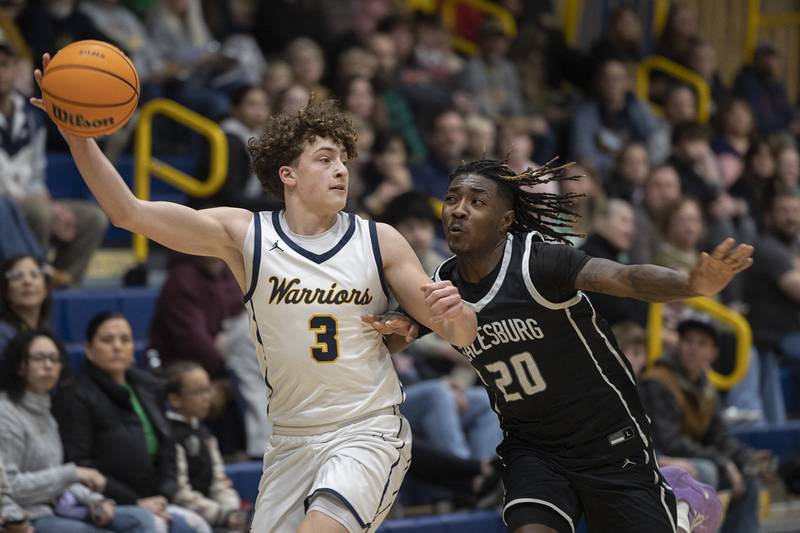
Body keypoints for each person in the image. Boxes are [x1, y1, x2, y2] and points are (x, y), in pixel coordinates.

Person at [31, 52, 477, 533]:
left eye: (344, 160)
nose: (341, 170)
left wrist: (456, 312)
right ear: (288, 174)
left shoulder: (379, 240)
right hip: (290, 440)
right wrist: (77, 138)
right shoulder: (245, 236)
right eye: (324, 160)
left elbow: (459, 332)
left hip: (366, 430)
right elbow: (128, 213)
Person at [369, 158, 753, 532]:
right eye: (452, 199)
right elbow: (401, 336)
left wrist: (690, 284)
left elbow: (626, 278)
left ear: (505, 220)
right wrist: (398, 327)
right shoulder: (442, 283)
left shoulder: (539, 262)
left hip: (606, 436)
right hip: (532, 445)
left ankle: (682, 504)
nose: (458, 210)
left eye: (477, 201)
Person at [53, 313, 208, 533]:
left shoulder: (147, 388)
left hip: (155, 498)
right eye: (107, 340)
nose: (117, 346)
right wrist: (135, 501)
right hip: (107, 502)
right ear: (89, 349)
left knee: (197, 525)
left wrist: (163, 495)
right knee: (154, 526)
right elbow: (80, 465)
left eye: (125, 340)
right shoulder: (75, 396)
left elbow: (169, 450)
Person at [0, 330, 155, 533]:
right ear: (20, 366)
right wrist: (72, 473)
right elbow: (9, 487)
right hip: (28, 515)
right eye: (39, 358)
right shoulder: (6, 414)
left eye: (54, 359)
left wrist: (93, 499)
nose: (48, 365)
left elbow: (57, 480)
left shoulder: (46, 412)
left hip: (59, 508)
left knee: (141, 519)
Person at [640, 318, 763, 533]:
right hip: (658, 460)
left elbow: (719, 437)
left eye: (701, 344)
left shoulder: (706, 387)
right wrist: (722, 462)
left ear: (713, 353)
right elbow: (670, 442)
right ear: (679, 345)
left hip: (693, 458)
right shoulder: (658, 380)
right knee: (706, 471)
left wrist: (746, 458)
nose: (693, 349)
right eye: (688, 341)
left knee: (748, 475)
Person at [164, 362, 248, 532]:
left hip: (214, 512)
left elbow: (219, 481)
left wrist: (231, 510)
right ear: (174, 399)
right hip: (187, 515)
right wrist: (221, 515)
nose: (207, 397)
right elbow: (180, 492)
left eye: (208, 389)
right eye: (198, 392)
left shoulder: (204, 433)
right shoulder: (169, 434)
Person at [0, 255, 52, 353]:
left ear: (46, 288)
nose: (27, 281)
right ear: (5, 290)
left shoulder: (46, 329)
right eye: (17, 276)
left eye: (34, 275)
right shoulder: (2, 334)